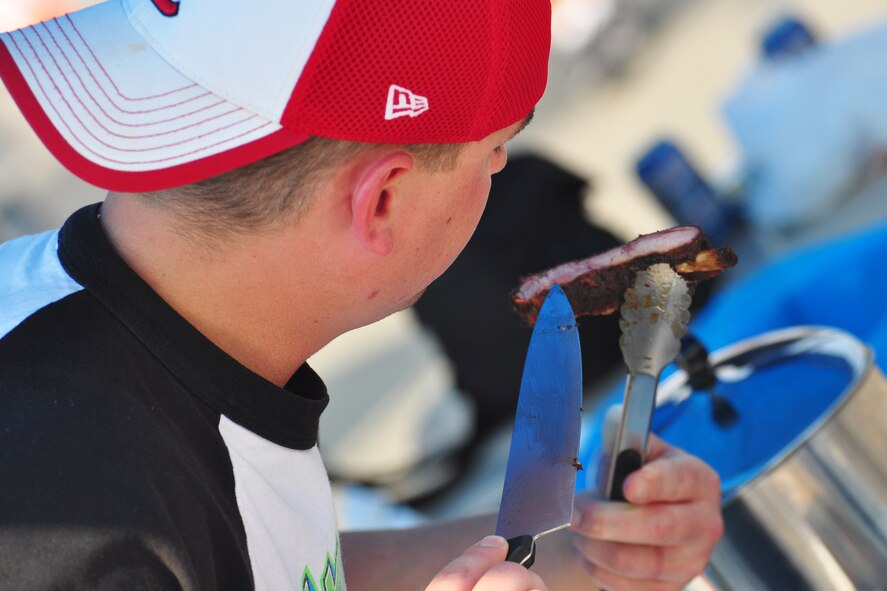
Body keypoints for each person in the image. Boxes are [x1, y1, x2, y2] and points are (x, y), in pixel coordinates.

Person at [0, 0, 723, 590]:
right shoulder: (77, 530)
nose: (498, 170)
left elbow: (261, 563)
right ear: (382, 201)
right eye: (494, 152)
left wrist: (566, 547)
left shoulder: (153, 349)